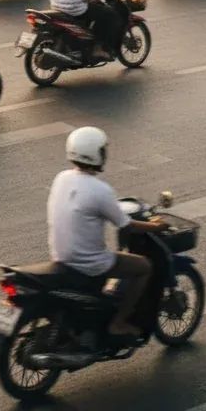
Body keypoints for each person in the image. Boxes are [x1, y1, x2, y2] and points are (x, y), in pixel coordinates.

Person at [48, 127, 169, 340]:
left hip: (61, 257)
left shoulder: (62, 178)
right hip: (89, 263)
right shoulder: (100, 190)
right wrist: (156, 227)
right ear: (97, 154)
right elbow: (127, 226)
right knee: (143, 267)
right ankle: (118, 322)